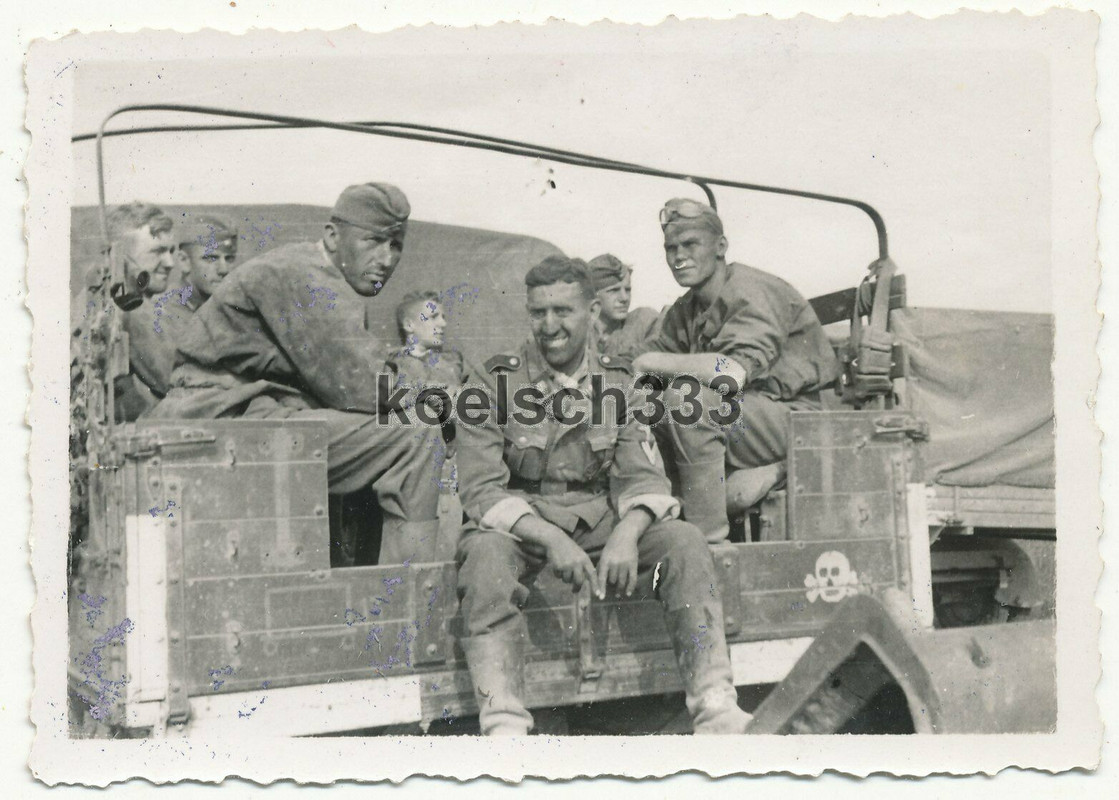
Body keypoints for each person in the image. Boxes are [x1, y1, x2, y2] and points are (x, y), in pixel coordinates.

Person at [454, 255, 753, 736]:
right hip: (521, 525)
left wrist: (628, 534)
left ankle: (715, 706)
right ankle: (504, 723)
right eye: (538, 313)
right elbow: (481, 489)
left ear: (592, 311)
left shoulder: (619, 383)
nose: (549, 326)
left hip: (600, 518)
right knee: (485, 556)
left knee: (682, 541)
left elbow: (643, 476)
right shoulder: (493, 382)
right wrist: (551, 539)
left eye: (563, 312)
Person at [150, 183, 444, 565]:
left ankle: (368, 591)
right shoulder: (305, 276)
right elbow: (366, 386)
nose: (386, 259)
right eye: (373, 242)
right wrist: (439, 394)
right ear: (333, 237)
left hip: (248, 417)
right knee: (417, 435)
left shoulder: (322, 277)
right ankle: (408, 600)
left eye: (396, 245)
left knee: (383, 431)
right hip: (220, 419)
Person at [633, 198, 840, 542]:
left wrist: (649, 364)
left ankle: (708, 544)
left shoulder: (750, 290)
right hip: (750, 417)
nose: (678, 256)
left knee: (689, 404)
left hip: (799, 418)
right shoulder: (687, 308)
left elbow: (730, 372)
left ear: (721, 247)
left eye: (690, 245)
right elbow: (648, 360)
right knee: (642, 406)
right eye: (671, 248)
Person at [586, 253, 663, 359]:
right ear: (593, 295)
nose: (624, 298)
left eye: (627, 290)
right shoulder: (579, 333)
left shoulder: (643, 323)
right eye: (613, 290)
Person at [175, 213, 240, 309]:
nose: (224, 270)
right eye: (211, 258)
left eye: (229, 259)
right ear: (184, 261)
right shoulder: (162, 313)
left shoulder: (234, 309)